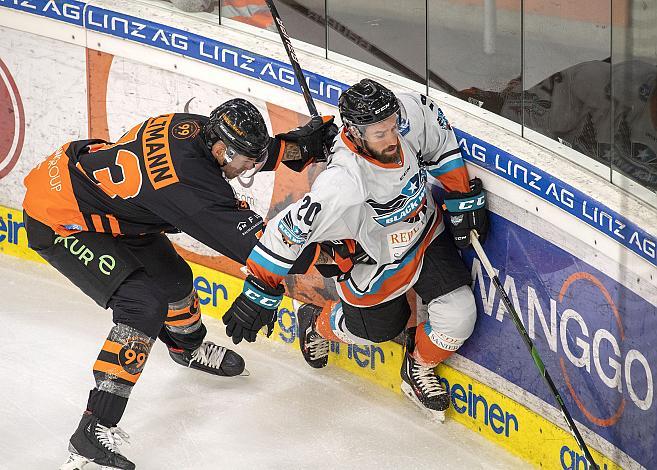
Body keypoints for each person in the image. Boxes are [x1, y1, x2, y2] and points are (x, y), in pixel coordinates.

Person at [21, 98, 337, 470]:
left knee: (175, 281)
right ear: (221, 149)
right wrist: (335, 254)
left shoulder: (193, 128)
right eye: (247, 161)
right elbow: (267, 249)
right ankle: (93, 427)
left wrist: (296, 147)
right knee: (143, 305)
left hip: (112, 206)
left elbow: (242, 151)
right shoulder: (190, 191)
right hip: (61, 219)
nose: (251, 167)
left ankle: (185, 348)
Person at [221, 79, 488, 422]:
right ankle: (316, 324)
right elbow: (287, 230)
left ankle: (417, 366)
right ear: (356, 133)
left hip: (424, 237)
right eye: (380, 134)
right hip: (374, 266)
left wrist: (461, 196)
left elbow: (439, 146)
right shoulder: (342, 182)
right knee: (376, 333)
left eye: (392, 127)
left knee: (459, 316)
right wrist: (259, 288)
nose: (392, 138)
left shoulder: (407, 114)